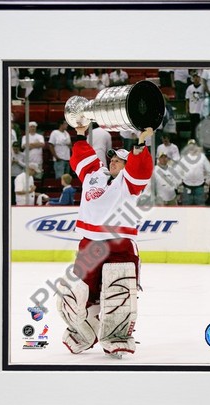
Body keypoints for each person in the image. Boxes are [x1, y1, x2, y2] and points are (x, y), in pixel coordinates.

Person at [55, 124, 154, 359]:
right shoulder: (94, 174)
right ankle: (84, 332)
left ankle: (117, 335)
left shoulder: (129, 183)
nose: (113, 162)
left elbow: (141, 171)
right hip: (90, 243)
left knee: (119, 291)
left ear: (127, 166)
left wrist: (140, 146)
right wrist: (80, 133)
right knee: (80, 293)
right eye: (112, 159)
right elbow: (82, 157)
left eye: (119, 161)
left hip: (120, 244)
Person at [175, 139, 210, 206]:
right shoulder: (183, 158)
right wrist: (179, 186)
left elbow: (209, 171)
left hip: (200, 187)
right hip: (186, 187)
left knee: (200, 209)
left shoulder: (202, 157)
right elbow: (177, 172)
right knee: (186, 209)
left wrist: (207, 184)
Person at [185, 72, 205, 139]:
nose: (196, 79)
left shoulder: (203, 87)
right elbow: (187, 99)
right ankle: (193, 141)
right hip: (192, 110)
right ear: (193, 78)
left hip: (200, 111)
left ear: (200, 78)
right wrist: (187, 109)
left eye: (197, 77)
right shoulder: (189, 88)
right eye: (194, 77)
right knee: (193, 127)